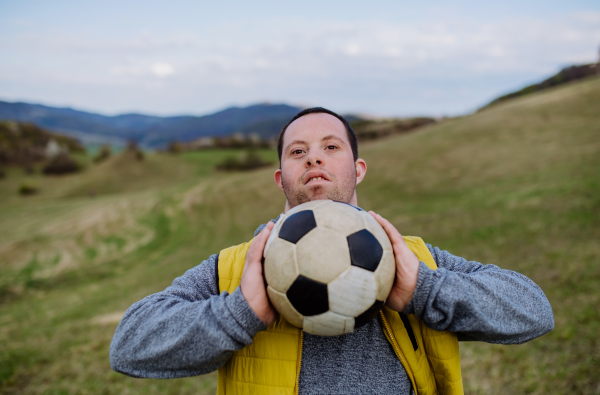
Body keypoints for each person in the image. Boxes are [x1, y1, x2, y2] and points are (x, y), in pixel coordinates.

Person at [110, 107, 554, 395]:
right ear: (281, 177)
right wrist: (240, 313)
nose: (313, 159)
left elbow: (534, 311)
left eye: (330, 147)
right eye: (298, 151)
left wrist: (424, 289)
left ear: (357, 169)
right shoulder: (236, 268)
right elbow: (129, 345)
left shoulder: (413, 259)